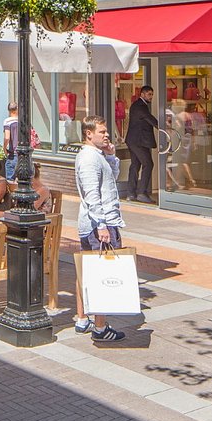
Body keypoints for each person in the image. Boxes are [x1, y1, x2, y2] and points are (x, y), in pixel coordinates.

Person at [73, 116, 127, 342]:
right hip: (99, 224)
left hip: (95, 222)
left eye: (106, 132)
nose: (106, 135)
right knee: (102, 273)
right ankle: (100, 327)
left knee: (85, 270)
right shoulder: (88, 158)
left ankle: (82, 318)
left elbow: (111, 180)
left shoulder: (98, 156)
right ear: (88, 134)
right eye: (102, 132)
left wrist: (112, 156)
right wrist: (102, 225)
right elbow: (92, 194)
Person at [126, 85, 159, 203]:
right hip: (138, 142)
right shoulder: (140, 106)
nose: (151, 97)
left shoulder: (138, 105)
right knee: (148, 164)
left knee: (135, 165)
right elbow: (148, 118)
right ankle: (142, 192)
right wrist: (161, 126)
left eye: (152, 94)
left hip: (133, 140)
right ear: (143, 94)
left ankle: (131, 193)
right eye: (149, 94)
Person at [1, 101, 19, 180]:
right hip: (23, 154)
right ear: (17, 109)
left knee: (10, 179)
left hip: (13, 152)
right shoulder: (22, 121)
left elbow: (7, 137)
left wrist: (4, 148)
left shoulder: (7, 121)